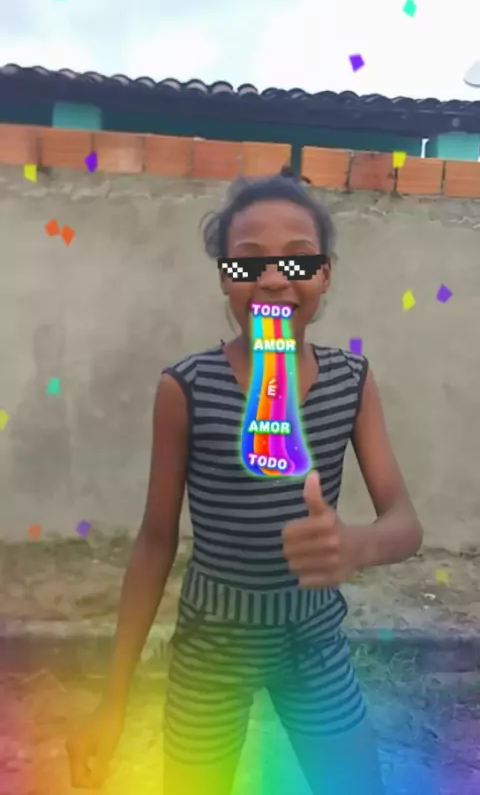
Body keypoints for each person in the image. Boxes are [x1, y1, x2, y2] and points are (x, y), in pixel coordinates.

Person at [66, 170, 423, 794]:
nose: (274, 278)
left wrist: (355, 545)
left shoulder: (352, 382)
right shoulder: (186, 389)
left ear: (325, 275)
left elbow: (405, 524)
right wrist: (113, 699)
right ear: (225, 278)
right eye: (248, 262)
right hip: (214, 640)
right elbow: (155, 542)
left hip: (313, 637)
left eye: (298, 259)